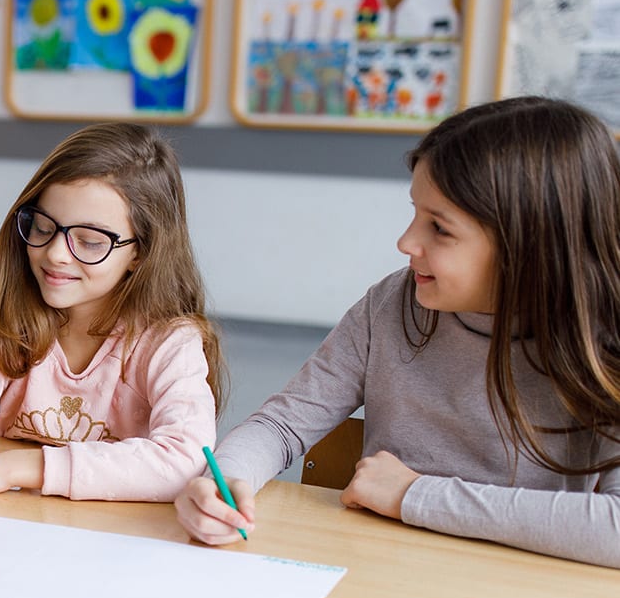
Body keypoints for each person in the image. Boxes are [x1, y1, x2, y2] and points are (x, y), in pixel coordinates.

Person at [174, 97, 620, 569]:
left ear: (529, 245)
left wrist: (414, 495)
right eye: (415, 213)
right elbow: (281, 426)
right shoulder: (391, 303)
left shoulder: (603, 343)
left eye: (439, 229)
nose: (406, 242)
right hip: (380, 570)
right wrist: (223, 479)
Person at [0, 123, 225, 583]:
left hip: (119, 562)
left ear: (141, 252)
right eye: (43, 227)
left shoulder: (167, 343)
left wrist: (12, 468)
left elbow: (186, 459)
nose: (55, 254)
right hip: (10, 548)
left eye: (89, 241)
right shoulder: (1, 325)